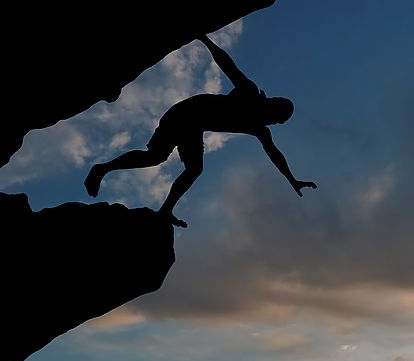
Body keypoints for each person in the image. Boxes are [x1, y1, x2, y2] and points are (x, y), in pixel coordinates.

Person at [85, 34, 316, 227]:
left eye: (278, 123)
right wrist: (205, 39)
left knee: (181, 165)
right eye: (276, 118)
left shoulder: (259, 128)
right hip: (184, 113)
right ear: (272, 106)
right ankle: (103, 170)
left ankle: (161, 209)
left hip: (194, 126)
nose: (273, 123)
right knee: (162, 159)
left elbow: (275, 154)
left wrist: (292, 180)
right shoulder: (249, 93)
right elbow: (228, 65)